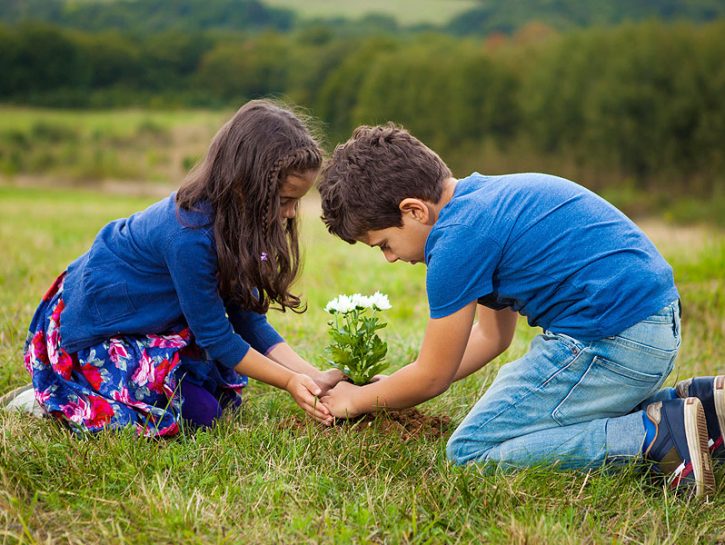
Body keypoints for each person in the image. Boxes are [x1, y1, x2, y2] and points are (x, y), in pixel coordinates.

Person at [317, 123, 723, 497]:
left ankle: (653, 436)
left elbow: (432, 376)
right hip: (651, 328)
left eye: (384, 244)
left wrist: (359, 399)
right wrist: (392, 388)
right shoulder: (484, 202)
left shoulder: (457, 241)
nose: (388, 258)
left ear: (414, 211)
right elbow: (493, 337)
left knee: (471, 451)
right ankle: (705, 411)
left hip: (610, 341)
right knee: (534, 416)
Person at [3, 100, 342, 435]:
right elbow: (216, 335)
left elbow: (246, 317)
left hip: (151, 321)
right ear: (245, 185)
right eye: (285, 200)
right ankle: (51, 399)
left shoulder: (242, 223)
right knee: (197, 415)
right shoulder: (188, 236)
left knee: (213, 403)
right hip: (101, 325)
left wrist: (310, 374)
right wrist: (288, 381)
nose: (293, 213)